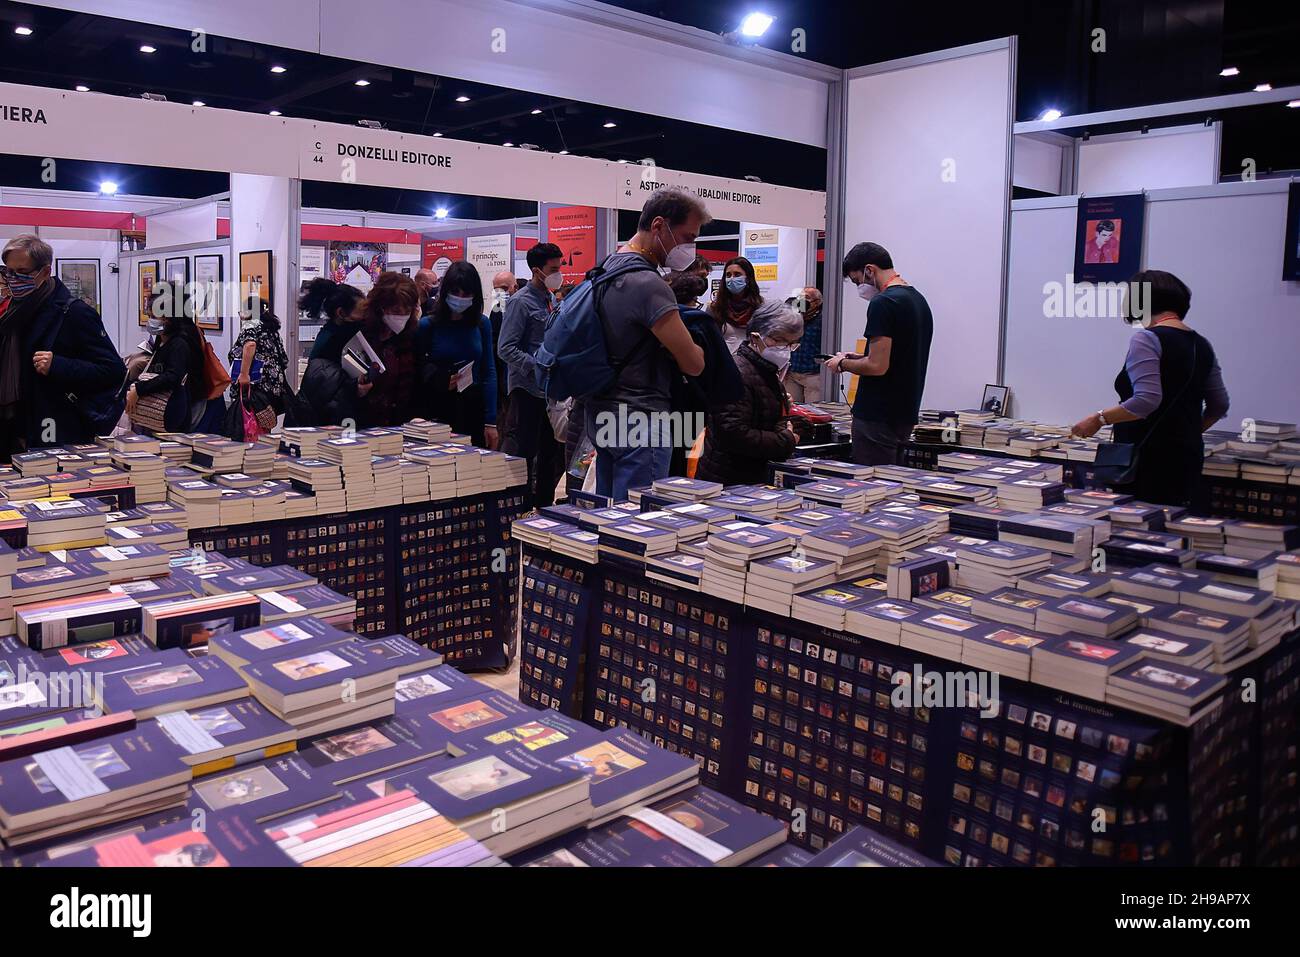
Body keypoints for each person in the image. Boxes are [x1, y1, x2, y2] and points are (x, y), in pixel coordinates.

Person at [585, 187, 706, 500]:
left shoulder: (605, 269)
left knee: (610, 516)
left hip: (601, 412)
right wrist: (700, 348)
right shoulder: (648, 284)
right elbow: (693, 363)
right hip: (640, 419)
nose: (689, 247)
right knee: (636, 529)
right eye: (688, 237)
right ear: (658, 226)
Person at [1070, 270, 1229, 507]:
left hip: (1145, 461)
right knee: (1174, 532)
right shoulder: (1201, 344)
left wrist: (1099, 419)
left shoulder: (1146, 339)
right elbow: (1219, 405)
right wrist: (1187, 432)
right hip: (1188, 458)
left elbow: (1146, 400)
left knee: (1137, 534)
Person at [0, 234, 125, 458]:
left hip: (55, 428)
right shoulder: (13, 312)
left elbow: (113, 370)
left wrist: (58, 365)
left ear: (45, 272)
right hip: (14, 427)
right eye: (8, 272)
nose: (13, 279)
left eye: (22, 272)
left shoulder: (74, 313)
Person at [827, 242, 934, 466]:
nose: (859, 288)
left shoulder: (883, 303)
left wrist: (842, 363)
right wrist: (858, 358)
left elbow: (877, 366)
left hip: (877, 415)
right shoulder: (918, 300)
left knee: (873, 486)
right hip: (905, 412)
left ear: (869, 270)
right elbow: (899, 356)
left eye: (857, 281)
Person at [696, 300, 802, 486]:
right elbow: (733, 433)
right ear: (755, 337)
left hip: (749, 474)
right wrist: (784, 440)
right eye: (778, 340)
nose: (784, 349)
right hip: (728, 479)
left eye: (791, 344)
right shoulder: (737, 372)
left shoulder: (765, 369)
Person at [499, 242, 564, 507]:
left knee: (551, 455)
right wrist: (536, 366)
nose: (559, 273)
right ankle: (519, 509)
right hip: (526, 390)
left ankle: (545, 508)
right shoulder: (520, 302)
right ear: (537, 270)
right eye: (553, 269)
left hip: (549, 391)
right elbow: (506, 348)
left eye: (560, 267)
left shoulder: (550, 299)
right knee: (523, 454)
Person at [665, 271, 742, 476]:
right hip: (693, 406)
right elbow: (713, 370)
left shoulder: (656, 322)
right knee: (689, 463)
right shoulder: (699, 322)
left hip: (660, 406)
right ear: (694, 299)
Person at [415, 260, 498, 448]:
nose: (460, 298)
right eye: (455, 292)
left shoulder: (482, 324)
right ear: (445, 293)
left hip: (472, 405)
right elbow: (417, 368)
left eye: (466, 294)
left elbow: (489, 372)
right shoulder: (427, 325)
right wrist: (437, 377)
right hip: (438, 406)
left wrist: (491, 420)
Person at [298, 278, 370, 427]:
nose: (366, 317)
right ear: (341, 313)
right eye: (362, 311)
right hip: (332, 417)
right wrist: (353, 388)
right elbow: (325, 384)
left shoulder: (333, 333)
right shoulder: (332, 340)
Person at [357, 272, 423, 428]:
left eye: (407, 310)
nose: (402, 316)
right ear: (381, 307)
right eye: (396, 310)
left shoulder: (412, 335)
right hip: (363, 422)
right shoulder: (361, 333)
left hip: (401, 423)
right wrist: (356, 388)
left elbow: (416, 381)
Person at [125, 304, 205, 433]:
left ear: (168, 318)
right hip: (156, 416)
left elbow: (173, 376)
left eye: (154, 316)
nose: (150, 320)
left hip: (172, 411)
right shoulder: (161, 341)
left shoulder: (179, 344)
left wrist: (139, 389)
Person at [228, 298, 290, 413]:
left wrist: (244, 374)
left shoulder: (251, 325)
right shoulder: (270, 328)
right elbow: (283, 358)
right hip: (273, 384)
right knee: (265, 420)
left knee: (251, 420)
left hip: (256, 384)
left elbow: (250, 344)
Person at [709, 256, 764, 355]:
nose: (732, 279)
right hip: (725, 364)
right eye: (728, 275)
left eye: (737, 274)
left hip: (753, 365)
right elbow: (709, 342)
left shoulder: (761, 307)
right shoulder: (716, 308)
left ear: (748, 279)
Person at [488, 270, 517, 435]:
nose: (500, 293)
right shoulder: (497, 309)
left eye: (504, 288)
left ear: (515, 287)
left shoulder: (524, 305)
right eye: (496, 289)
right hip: (503, 379)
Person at [785, 286, 824, 405]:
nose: (802, 300)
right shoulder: (795, 318)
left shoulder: (823, 320)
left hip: (813, 375)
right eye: (800, 297)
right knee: (792, 410)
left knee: (813, 411)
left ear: (817, 302)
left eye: (806, 297)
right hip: (793, 373)